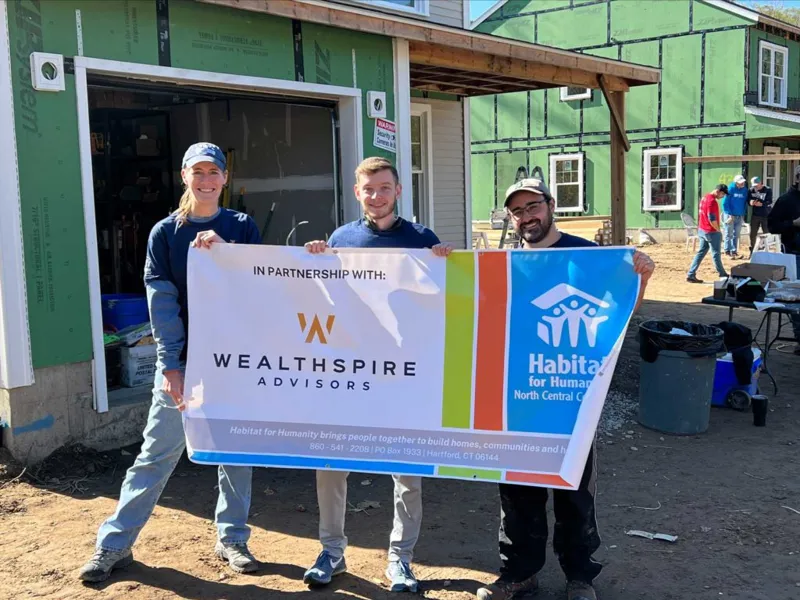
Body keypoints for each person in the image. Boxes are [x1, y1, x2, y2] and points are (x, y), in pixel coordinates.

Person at [79, 143, 263, 583]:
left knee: (235, 454)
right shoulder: (165, 233)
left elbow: (260, 288)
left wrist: (228, 253)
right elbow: (162, 304)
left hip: (233, 362)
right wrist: (171, 366)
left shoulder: (242, 226)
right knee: (156, 455)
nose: (205, 180)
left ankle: (232, 537)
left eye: (213, 172)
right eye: (196, 171)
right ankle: (114, 544)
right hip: (186, 362)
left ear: (224, 178)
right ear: (184, 176)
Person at [475, 177, 655, 600]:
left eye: (532, 207)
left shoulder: (586, 258)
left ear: (551, 205)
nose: (526, 217)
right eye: (516, 211)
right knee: (518, 493)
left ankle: (579, 576)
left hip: (572, 400)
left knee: (573, 490)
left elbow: (621, 311)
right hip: (517, 400)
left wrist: (641, 276)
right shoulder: (506, 264)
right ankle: (519, 573)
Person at [302, 156, 453, 593]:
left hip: (405, 374)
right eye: (368, 189)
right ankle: (332, 551)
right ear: (357, 193)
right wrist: (316, 258)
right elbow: (326, 298)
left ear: (399, 191)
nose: (377, 196)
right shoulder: (342, 238)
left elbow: (440, 300)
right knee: (331, 463)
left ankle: (401, 560)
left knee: (407, 471)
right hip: (351, 371)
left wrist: (444, 262)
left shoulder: (423, 239)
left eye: (384, 188)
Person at [767, 164, 800, 354]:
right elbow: (772, 226)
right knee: (796, 299)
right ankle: (799, 338)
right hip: (794, 254)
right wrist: (793, 224)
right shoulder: (786, 200)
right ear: (797, 177)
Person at [687, 184, 729, 283]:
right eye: (723, 194)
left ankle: (691, 274)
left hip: (702, 229)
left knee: (701, 253)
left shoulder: (704, 197)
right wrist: (718, 230)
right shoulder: (712, 202)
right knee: (716, 254)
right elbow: (712, 219)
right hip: (711, 231)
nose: (723, 196)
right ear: (718, 191)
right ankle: (722, 274)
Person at [722, 174, 748, 259]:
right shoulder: (730, 189)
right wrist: (729, 214)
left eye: (743, 182)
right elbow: (725, 203)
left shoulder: (744, 190)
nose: (742, 184)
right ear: (736, 183)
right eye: (740, 183)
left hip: (739, 215)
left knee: (736, 234)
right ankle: (727, 251)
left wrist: (743, 214)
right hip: (730, 215)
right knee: (728, 233)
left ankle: (734, 251)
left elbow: (744, 203)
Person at [748, 176, 773, 255]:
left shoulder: (768, 190)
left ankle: (766, 250)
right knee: (753, 233)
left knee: (766, 233)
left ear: (760, 183)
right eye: (754, 185)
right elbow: (748, 200)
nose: (755, 187)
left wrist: (761, 204)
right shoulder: (751, 190)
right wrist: (751, 202)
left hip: (766, 214)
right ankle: (752, 251)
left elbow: (769, 201)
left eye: (756, 185)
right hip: (755, 215)